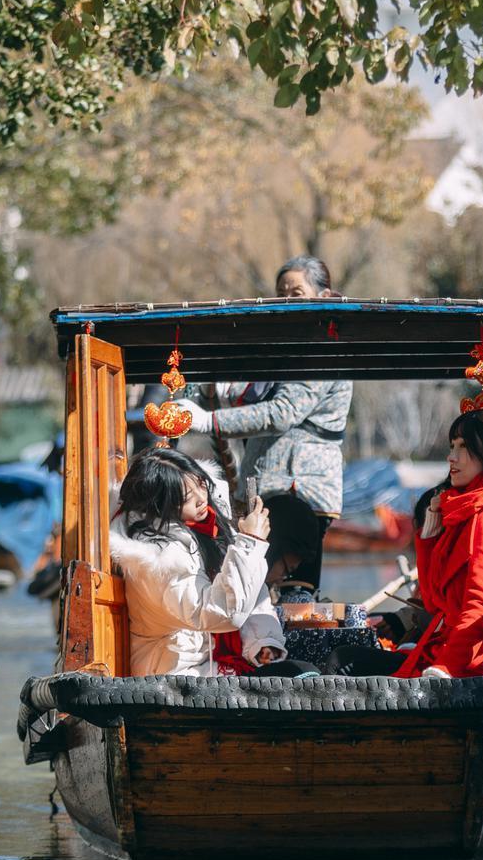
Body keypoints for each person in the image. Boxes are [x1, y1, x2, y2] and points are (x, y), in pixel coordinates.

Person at [181, 256, 350, 589]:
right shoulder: (285, 351)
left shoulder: (323, 351)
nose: (287, 301)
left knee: (291, 592)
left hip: (300, 492)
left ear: (323, 295)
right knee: (255, 588)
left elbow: (282, 411)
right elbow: (252, 393)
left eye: (297, 293)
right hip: (268, 489)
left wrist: (209, 421)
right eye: (281, 293)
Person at [108, 447, 280, 676]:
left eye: (201, 483)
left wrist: (262, 641)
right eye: (187, 498)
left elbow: (250, 586)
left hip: (213, 663)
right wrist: (250, 543)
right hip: (175, 675)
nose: (202, 498)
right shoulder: (157, 559)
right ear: (159, 506)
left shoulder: (206, 524)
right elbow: (222, 613)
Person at [398, 409, 483, 679]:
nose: (452, 457)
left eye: (464, 446)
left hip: (478, 661)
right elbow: (433, 601)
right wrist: (430, 529)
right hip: (445, 651)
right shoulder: (463, 510)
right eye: (452, 446)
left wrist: (447, 666)